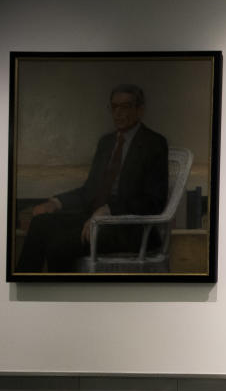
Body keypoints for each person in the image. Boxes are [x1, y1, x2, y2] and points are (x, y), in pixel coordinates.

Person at [16, 84, 168, 273]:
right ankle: (22, 288)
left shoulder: (154, 144)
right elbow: (90, 190)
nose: (118, 113)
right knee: (40, 222)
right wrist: (55, 203)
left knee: (58, 245)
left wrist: (109, 210)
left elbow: (154, 201)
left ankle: (63, 300)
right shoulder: (107, 143)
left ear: (140, 110)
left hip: (128, 229)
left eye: (126, 107)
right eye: (114, 107)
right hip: (93, 220)